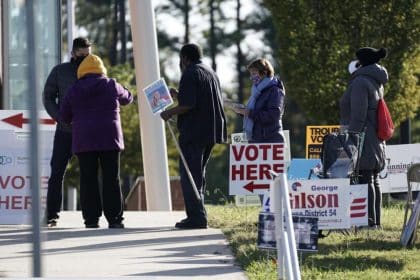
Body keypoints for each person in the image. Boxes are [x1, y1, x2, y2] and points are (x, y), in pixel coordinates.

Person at [60, 54, 133, 228]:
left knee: (88, 179)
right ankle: (115, 219)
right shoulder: (111, 84)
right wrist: (124, 90)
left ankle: (91, 219)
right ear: (102, 70)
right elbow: (128, 98)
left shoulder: (74, 89)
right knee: (111, 178)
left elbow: (64, 116)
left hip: (84, 139)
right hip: (110, 138)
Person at [160, 43, 227, 229]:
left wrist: (169, 112)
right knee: (198, 174)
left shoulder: (189, 73)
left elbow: (189, 105)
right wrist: (178, 95)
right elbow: (198, 99)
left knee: (189, 174)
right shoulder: (209, 71)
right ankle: (199, 214)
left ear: (184, 58)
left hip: (195, 132)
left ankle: (196, 218)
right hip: (212, 131)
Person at [42, 37, 92, 226]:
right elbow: (48, 97)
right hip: (65, 131)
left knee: (89, 174)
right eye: (81, 54)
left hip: (87, 131)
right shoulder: (60, 71)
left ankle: (91, 217)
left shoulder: (96, 71)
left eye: (88, 55)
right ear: (73, 53)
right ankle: (51, 215)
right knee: (57, 172)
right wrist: (60, 117)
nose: (85, 58)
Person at [340, 47, 388, 228]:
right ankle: (375, 223)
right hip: (374, 136)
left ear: (362, 62)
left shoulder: (360, 81)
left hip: (364, 137)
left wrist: (351, 138)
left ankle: (368, 223)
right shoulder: (376, 80)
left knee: (365, 178)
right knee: (372, 179)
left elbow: (358, 115)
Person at [232, 58, 286, 143]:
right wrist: (242, 111)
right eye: (250, 74)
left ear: (264, 73)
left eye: (254, 74)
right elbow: (257, 114)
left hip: (271, 141)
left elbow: (273, 116)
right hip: (257, 140)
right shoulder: (257, 91)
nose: (251, 77)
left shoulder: (275, 90)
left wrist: (248, 113)